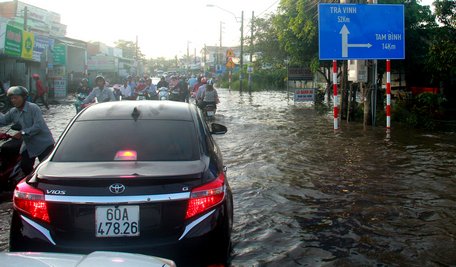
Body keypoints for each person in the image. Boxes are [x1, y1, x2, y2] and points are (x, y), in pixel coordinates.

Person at [0, 86, 55, 176]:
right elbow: (3, 121)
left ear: (24, 97)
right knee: (25, 166)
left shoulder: (33, 108)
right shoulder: (13, 111)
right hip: (28, 144)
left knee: (47, 169)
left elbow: (38, 126)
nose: (13, 100)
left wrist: (22, 133)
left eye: (16, 98)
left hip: (43, 144)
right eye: (12, 98)